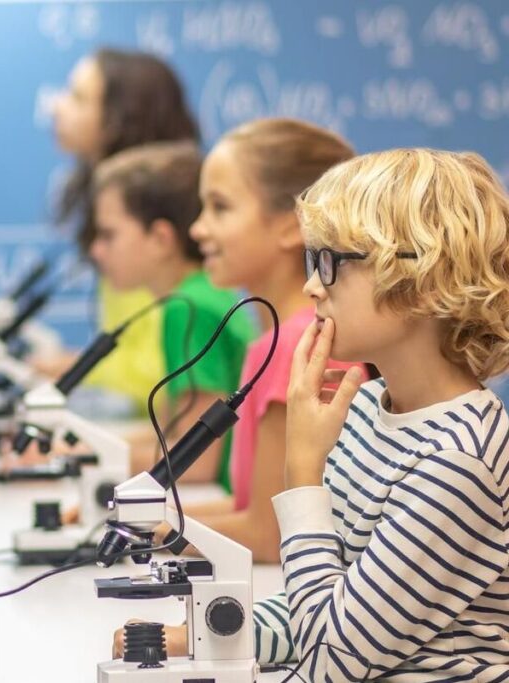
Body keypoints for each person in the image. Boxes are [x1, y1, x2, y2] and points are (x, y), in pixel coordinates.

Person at [119, 148, 509, 680]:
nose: (311, 286)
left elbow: (331, 660)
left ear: (421, 283)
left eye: (331, 262)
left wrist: (302, 476)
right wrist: (204, 638)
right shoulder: (369, 407)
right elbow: (319, 601)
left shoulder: (457, 463)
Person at [177, 118, 363, 559]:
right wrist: (143, 519)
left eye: (220, 208)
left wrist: (148, 532)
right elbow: (250, 507)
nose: (198, 229)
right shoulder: (276, 341)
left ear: (289, 225)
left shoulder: (297, 345)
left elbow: (265, 533)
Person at [36, 48, 200, 415]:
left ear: (118, 119)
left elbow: (159, 366)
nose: (56, 107)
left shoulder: (146, 241)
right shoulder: (123, 222)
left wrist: (75, 368)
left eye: (78, 98)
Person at [87, 141, 255, 481]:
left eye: (108, 235)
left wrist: (82, 460)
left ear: (160, 239)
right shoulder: (196, 295)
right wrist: (88, 447)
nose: (96, 250)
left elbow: (198, 460)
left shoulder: (189, 308)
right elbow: (168, 431)